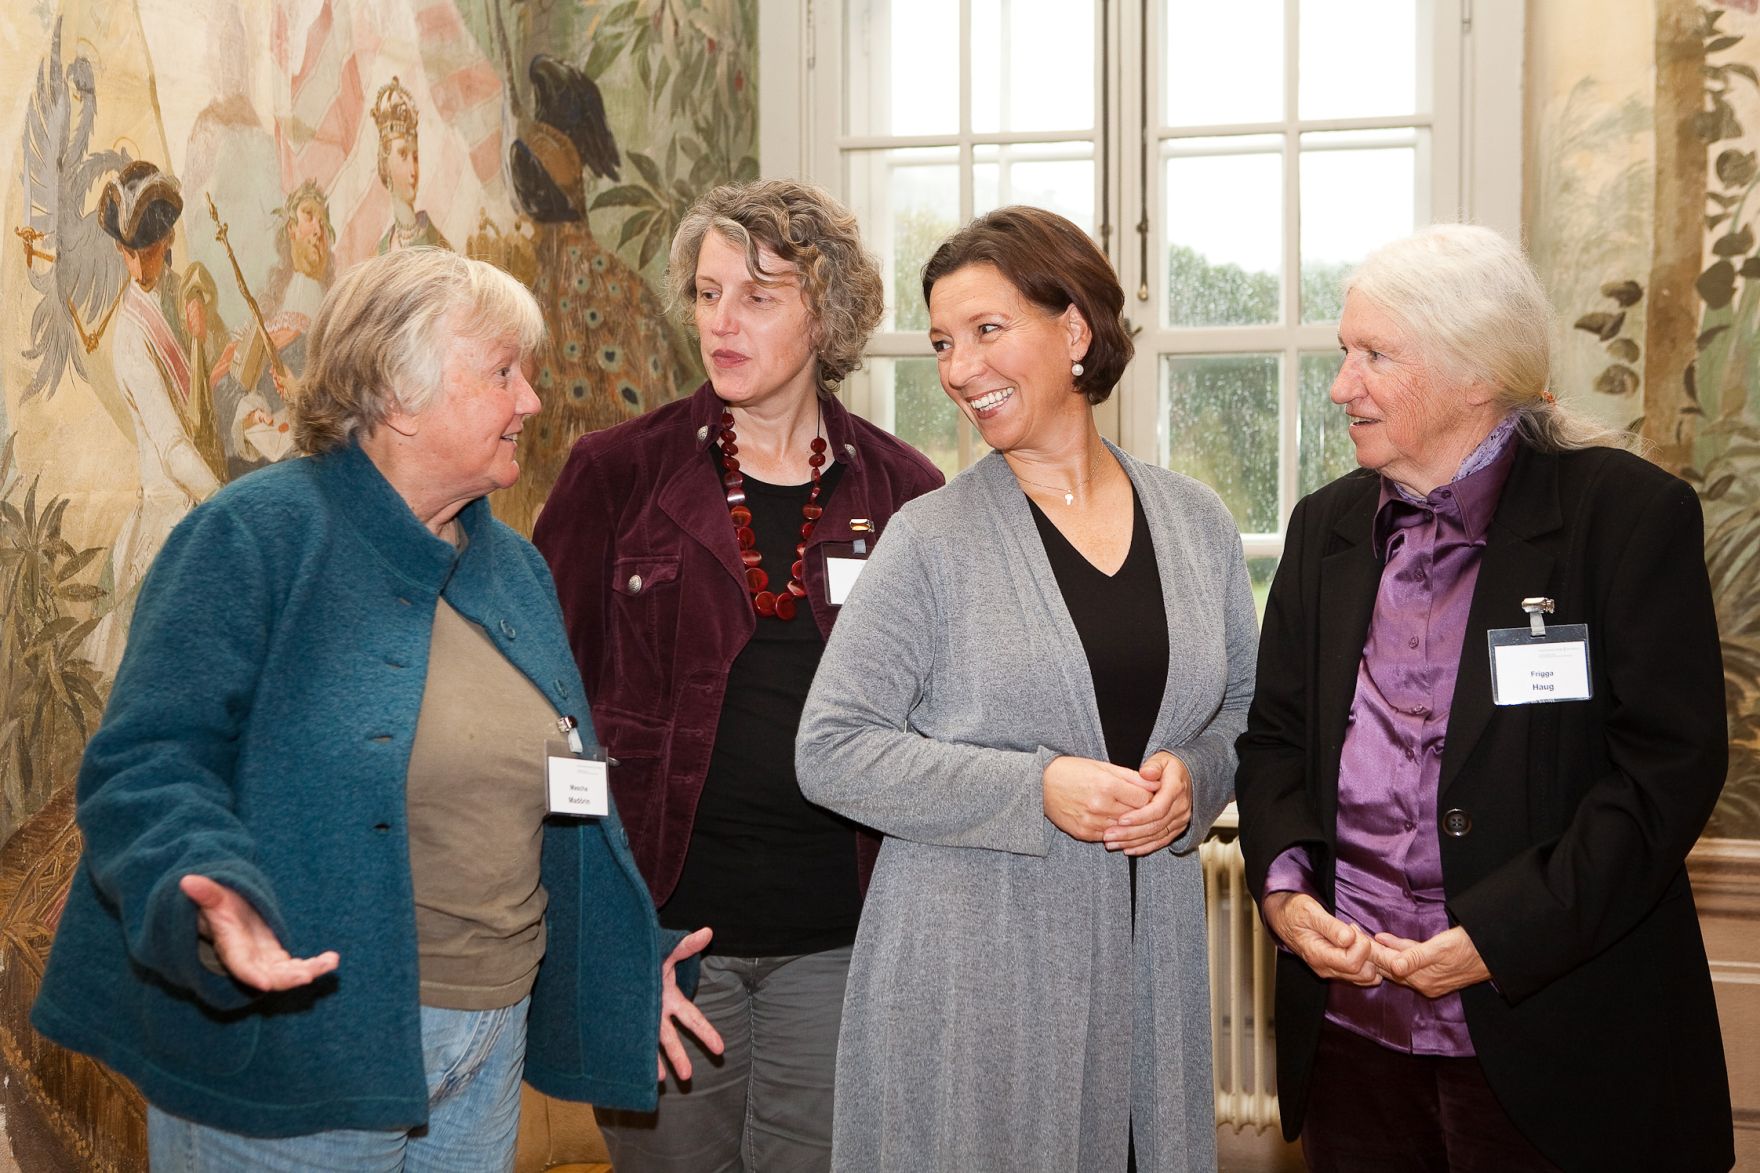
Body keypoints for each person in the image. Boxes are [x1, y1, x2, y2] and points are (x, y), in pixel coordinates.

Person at [32, 247, 721, 1170]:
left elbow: (563, 787)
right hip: (299, 1047)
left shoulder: (511, 564)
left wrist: (623, 960)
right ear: (399, 397)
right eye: (503, 373)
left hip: (488, 1042)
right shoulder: (253, 538)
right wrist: (207, 884)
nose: (532, 402)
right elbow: (146, 764)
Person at [1233, 224, 1734, 1172]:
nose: (1342, 386)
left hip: (1554, 1036)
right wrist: (1286, 886)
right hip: (1352, 1038)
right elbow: (1276, 739)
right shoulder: (1325, 527)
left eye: (1374, 355)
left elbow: (1666, 772)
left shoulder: (1622, 519)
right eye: (1346, 353)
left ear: (1476, 373)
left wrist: (1500, 937)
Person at [795, 205, 1258, 1171]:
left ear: (1075, 332)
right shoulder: (930, 540)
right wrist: (1033, 790)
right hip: (977, 989)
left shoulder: (1196, 522)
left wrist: (1195, 775)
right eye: (942, 343)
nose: (960, 369)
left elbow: (1243, 714)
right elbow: (830, 748)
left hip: (1150, 975)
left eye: (988, 330)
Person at [534, 179, 943, 1171]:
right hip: (665, 937)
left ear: (827, 314)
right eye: (708, 294)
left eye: (758, 297)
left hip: (838, 940)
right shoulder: (614, 473)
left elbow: (935, 728)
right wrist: (602, 931)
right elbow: (547, 713)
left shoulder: (904, 493)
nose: (722, 322)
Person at [91, 160, 220, 669]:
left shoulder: (176, 293)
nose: (138, 269)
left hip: (197, 486)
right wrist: (220, 501)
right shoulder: (129, 337)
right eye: (128, 255)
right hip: (171, 510)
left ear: (166, 240)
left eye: (147, 251)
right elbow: (170, 447)